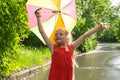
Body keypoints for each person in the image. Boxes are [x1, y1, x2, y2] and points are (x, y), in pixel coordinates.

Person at [34, 8, 109, 80]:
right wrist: (38, 17)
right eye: (56, 35)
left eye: (61, 34)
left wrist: (98, 28)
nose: (58, 36)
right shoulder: (53, 48)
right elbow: (42, 32)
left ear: (67, 37)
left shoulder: (71, 47)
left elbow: (85, 35)